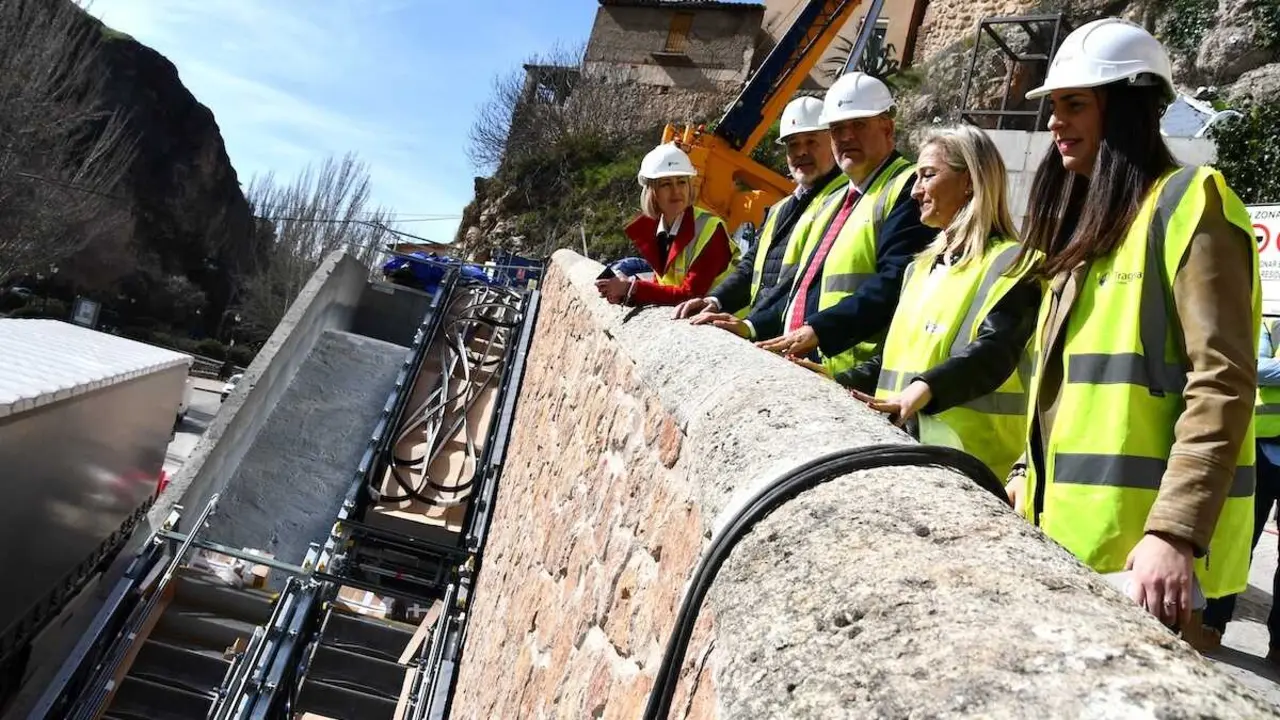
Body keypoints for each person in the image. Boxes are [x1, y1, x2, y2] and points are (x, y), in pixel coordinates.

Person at [1003, 18, 1260, 633]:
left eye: (1075, 104)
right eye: (1053, 106)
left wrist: (1174, 531)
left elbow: (1221, 380)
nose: (1055, 122)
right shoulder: (1089, 226)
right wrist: (1023, 476)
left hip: (1145, 564)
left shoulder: (1190, 203)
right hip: (1061, 538)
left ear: (1125, 109)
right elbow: (1063, 389)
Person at [813, 124, 1041, 481]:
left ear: (970, 181)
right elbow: (893, 365)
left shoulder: (1016, 264)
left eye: (928, 176)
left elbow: (995, 351)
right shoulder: (919, 269)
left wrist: (921, 392)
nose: (916, 191)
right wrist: (833, 381)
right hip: (902, 453)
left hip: (971, 469)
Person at [747, 72, 934, 376]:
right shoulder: (840, 197)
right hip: (813, 365)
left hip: (856, 375)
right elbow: (802, 283)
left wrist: (820, 329)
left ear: (887, 128)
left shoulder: (907, 187)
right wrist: (750, 325)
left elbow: (896, 279)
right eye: (837, 128)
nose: (846, 137)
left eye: (858, 125)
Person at [673, 96, 845, 327]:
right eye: (793, 144)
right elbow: (751, 265)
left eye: (811, 142)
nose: (801, 152)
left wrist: (752, 326)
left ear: (833, 143)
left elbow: (800, 281)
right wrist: (716, 300)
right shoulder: (780, 209)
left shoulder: (844, 202)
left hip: (803, 342)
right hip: (772, 336)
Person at [1199, 316, 1280, 655]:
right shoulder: (1266, 325)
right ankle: (1213, 622)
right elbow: (1254, 366)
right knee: (1242, 536)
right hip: (1262, 448)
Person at [596, 143, 737, 307]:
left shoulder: (711, 229)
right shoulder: (657, 230)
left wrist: (632, 288)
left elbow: (692, 296)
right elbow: (662, 287)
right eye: (666, 184)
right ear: (651, 192)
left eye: (682, 182)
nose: (676, 191)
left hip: (728, 324)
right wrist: (623, 293)